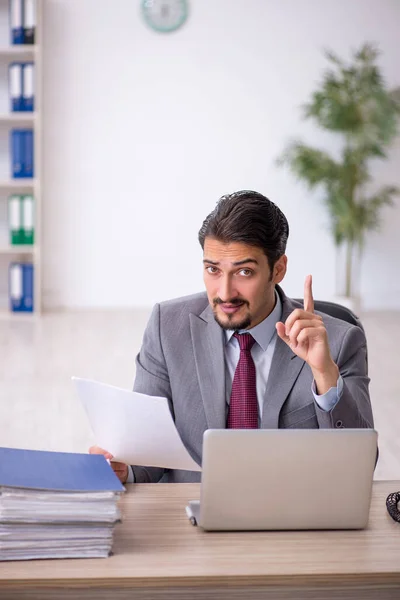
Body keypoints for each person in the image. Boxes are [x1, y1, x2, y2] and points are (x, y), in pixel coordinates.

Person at [90, 190, 374, 483]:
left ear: (278, 270)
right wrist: (126, 467)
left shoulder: (339, 342)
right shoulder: (167, 327)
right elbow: (149, 452)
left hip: (291, 516)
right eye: (213, 269)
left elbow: (358, 466)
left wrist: (324, 373)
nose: (224, 293)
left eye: (244, 272)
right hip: (190, 515)